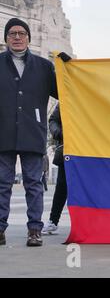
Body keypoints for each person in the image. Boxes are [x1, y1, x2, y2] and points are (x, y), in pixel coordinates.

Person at [0, 18, 57, 247]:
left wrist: (67, 69)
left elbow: (65, 92)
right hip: (3, 132)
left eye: (21, 33)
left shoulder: (44, 66)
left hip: (33, 133)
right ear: (6, 38)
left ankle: (35, 230)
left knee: (34, 183)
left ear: (28, 38)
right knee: (2, 183)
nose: (17, 37)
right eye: (12, 33)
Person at [42, 104, 67, 235]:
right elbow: (53, 120)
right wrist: (59, 133)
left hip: (91, 149)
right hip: (68, 149)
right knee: (62, 187)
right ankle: (53, 220)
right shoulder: (66, 96)